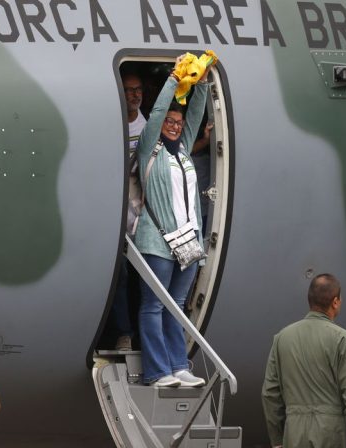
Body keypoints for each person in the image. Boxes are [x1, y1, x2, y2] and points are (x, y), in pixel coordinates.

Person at [134, 54, 211, 387]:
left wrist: (203, 81)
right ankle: (158, 370)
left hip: (188, 242)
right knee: (153, 305)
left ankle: (178, 365)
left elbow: (194, 114)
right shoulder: (151, 148)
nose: (175, 125)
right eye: (170, 121)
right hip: (158, 240)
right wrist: (171, 81)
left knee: (176, 306)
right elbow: (155, 117)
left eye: (178, 123)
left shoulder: (182, 152)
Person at [261, 273, 346, 448]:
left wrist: (277, 440)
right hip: (333, 435)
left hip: (294, 434)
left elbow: (270, 394)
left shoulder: (282, 338)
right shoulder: (345, 340)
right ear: (335, 302)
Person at [110, 72, 148, 351]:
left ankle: (143, 335)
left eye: (138, 90)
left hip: (140, 210)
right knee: (119, 274)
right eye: (128, 90)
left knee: (144, 274)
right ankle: (124, 333)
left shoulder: (148, 126)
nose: (134, 95)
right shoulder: (110, 123)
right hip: (114, 210)